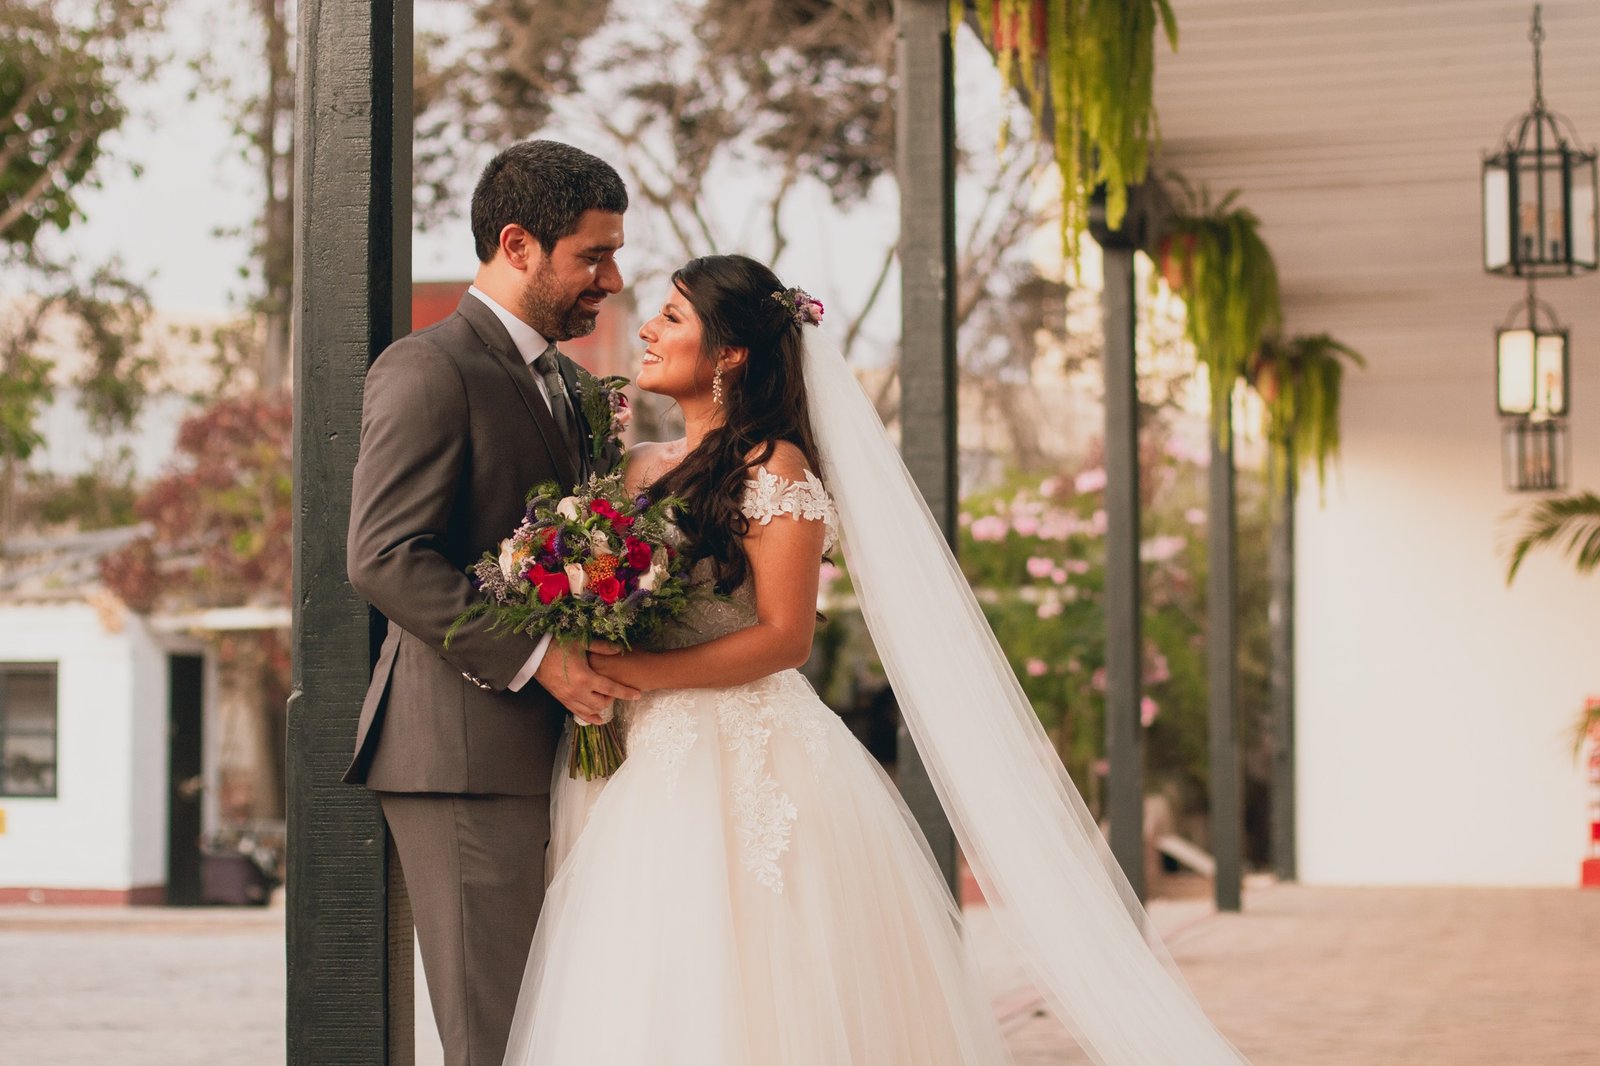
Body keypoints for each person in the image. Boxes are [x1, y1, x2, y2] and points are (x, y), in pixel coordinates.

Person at [500, 254, 1247, 1065]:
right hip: (632, 754)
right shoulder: (634, 467)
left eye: (673, 318)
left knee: (753, 976)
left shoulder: (775, 468)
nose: (646, 328)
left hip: (742, 752)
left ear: (732, 352)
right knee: (637, 969)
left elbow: (786, 636)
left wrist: (640, 674)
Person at [343, 140, 640, 1066]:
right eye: (593, 256)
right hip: (464, 759)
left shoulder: (579, 387)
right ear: (519, 245)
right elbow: (385, 557)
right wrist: (542, 658)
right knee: (497, 1039)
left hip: (565, 759)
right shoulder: (428, 368)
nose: (613, 279)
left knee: (565, 1027)